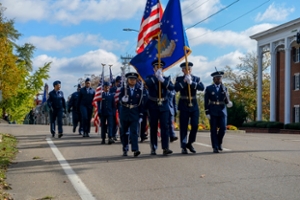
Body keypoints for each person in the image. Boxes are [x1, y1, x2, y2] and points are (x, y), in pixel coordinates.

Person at [175, 62, 205, 154]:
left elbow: (202, 87)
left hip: (194, 104)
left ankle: (190, 143)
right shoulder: (179, 79)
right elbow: (175, 88)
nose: (188, 70)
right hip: (184, 104)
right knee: (183, 126)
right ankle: (183, 146)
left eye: (189, 69)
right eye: (186, 69)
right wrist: (184, 82)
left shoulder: (196, 78)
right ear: (182, 70)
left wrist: (192, 83)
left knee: (195, 125)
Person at [145, 60, 174, 156]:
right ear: (154, 69)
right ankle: (153, 147)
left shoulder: (166, 78)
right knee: (153, 126)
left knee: (165, 127)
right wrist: (156, 78)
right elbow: (147, 84)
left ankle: (165, 147)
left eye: (160, 67)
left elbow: (171, 87)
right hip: (153, 104)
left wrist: (162, 80)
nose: (158, 69)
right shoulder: (150, 77)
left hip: (164, 104)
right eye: (156, 67)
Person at [204, 70, 233, 153]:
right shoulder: (209, 88)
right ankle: (215, 146)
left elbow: (227, 99)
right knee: (213, 129)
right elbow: (206, 101)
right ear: (213, 79)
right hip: (213, 109)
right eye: (217, 78)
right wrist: (207, 112)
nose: (218, 79)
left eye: (220, 78)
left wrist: (229, 103)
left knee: (223, 128)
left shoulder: (224, 88)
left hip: (222, 110)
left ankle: (219, 142)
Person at [119, 72, 144, 157]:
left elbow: (141, 104)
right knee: (124, 132)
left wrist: (141, 115)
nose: (132, 81)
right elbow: (119, 100)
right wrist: (122, 100)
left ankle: (135, 149)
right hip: (125, 112)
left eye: (134, 79)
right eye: (130, 79)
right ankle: (125, 148)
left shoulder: (139, 90)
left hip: (134, 112)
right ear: (128, 80)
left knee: (134, 132)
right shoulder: (124, 89)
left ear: (136, 80)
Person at [109, 76, 122, 141]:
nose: (118, 83)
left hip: (121, 108)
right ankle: (113, 135)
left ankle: (121, 135)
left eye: (120, 82)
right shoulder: (112, 89)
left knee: (120, 122)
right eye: (117, 82)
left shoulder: (123, 89)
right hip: (113, 108)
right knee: (114, 122)